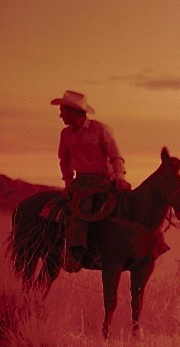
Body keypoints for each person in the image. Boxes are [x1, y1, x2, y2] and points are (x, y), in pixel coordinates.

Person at [51, 90, 130, 271]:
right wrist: (68, 182)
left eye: (63, 111)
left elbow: (115, 155)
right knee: (72, 209)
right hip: (82, 182)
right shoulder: (66, 134)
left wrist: (119, 177)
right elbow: (64, 161)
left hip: (104, 181)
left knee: (120, 209)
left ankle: (87, 252)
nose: (60, 115)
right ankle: (72, 252)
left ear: (73, 112)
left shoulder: (100, 129)